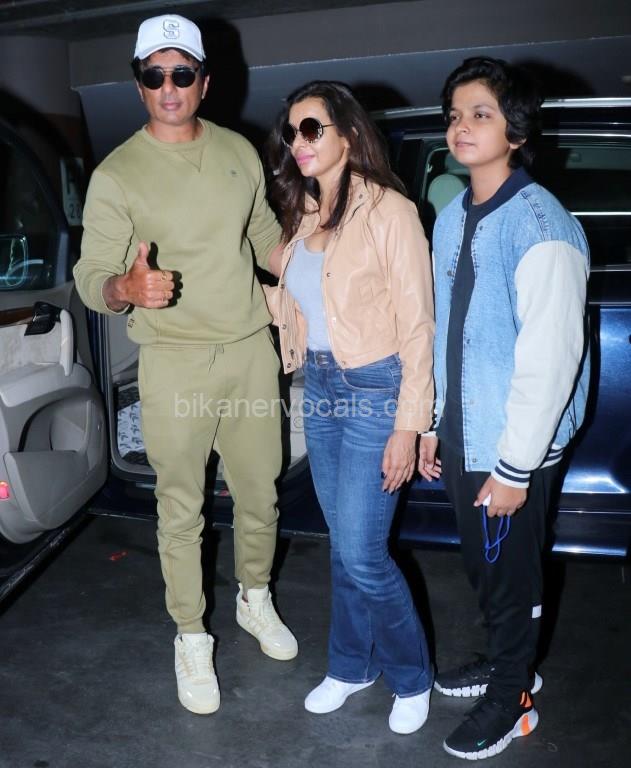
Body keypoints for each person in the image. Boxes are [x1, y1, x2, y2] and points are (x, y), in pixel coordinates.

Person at [73, 14, 297, 716]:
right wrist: (125, 287)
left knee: (260, 492)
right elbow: (90, 276)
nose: (168, 86)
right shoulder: (117, 174)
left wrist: (324, 265)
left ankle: (254, 596)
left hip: (250, 350)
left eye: (181, 73)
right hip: (173, 360)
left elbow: (265, 235)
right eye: (153, 74)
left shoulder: (237, 151)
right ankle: (191, 635)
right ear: (138, 84)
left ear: (204, 81)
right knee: (181, 506)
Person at [418, 57, 590, 759]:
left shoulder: (542, 226)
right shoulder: (451, 215)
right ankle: (506, 659)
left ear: (516, 131)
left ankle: (514, 696)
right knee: (486, 569)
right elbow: (442, 331)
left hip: (514, 443)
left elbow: (550, 362)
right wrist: (432, 423)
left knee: (512, 573)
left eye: (481, 114)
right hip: (465, 429)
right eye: (454, 115)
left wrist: (516, 468)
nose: (461, 126)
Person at [265, 81, 435, 734]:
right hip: (321, 386)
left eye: (311, 128)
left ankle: (411, 675)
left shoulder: (391, 211)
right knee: (341, 544)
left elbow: (418, 326)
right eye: (291, 132)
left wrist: (408, 425)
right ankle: (349, 665)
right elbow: (294, 303)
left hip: (375, 389)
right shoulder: (305, 214)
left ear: (349, 134)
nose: (298, 142)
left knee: (364, 553)